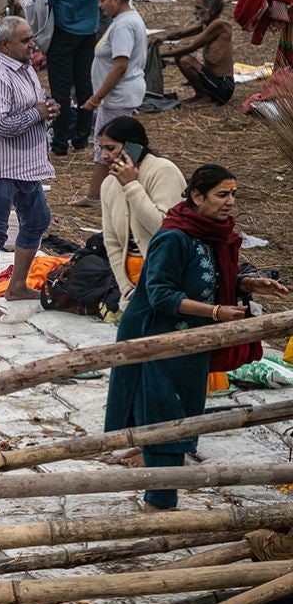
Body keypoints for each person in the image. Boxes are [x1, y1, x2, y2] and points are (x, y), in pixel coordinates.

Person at [105, 165, 287, 509]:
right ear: (196, 196)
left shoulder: (214, 233)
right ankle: (160, 501)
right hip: (157, 338)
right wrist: (216, 313)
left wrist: (246, 283)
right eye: (222, 194)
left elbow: (213, 277)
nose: (230, 201)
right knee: (163, 415)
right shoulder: (173, 237)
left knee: (186, 409)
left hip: (193, 338)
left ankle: (160, 476)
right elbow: (160, 294)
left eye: (233, 194)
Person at [0, 17, 57, 322]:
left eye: (31, 38)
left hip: (24, 163)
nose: (31, 43)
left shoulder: (25, 68)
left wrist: (46, 111)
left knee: (36, 219)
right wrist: (36, 114)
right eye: (25, 40)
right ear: (5, 44)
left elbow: (34, 106)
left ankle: (17, 285)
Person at [42, 0, 109, 156]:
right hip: (88, 29)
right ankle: (81, 140)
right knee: (84, 83)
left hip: (63, 29)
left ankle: (60, 143)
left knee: (60, 88)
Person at [96, 117, 186, 302]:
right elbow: (112, 241)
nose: (104, 155)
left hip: (168, 279)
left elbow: (165, 229)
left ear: (132, 147)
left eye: (110, 148)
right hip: (132, 284)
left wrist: (131, 186)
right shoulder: (109, 184)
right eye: (101, 149)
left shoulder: (162, 171)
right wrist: (125, 288)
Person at [81, 0, 148, 202]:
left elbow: (120, 65)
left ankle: (96, 196)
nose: (100, 5)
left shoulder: (124, 25)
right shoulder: (124, 20)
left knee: (108, 147)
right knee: (121, 145)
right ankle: (102, 195)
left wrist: (97, 97)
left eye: (102, 0)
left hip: (117, 96)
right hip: (118, 95)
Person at [162, 0, 236, 107]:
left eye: (198, 8)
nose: (194, 12)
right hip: (213, 82)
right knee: (180, 57)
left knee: (185, 60)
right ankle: (201, 95)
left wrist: (161, 55)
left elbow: (190, 47)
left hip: (223, 87)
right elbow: (178, 34)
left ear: (212, 10)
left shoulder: (219, 25)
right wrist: (160, 39)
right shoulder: (207, 23)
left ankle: (206, 97)